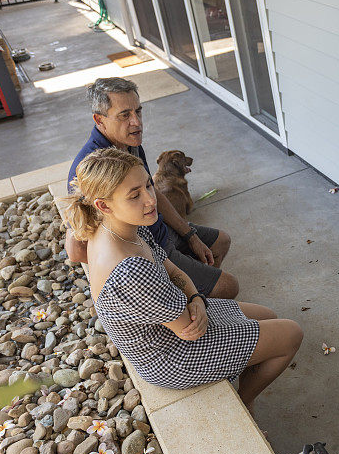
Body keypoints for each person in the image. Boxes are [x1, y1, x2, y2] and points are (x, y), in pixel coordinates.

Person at [63, 148, 302, 410]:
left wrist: (196, 297)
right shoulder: (129, 271)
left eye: (148, 186)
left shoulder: (124, 227)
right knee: (291, 334)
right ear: (103, 205)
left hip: (177, 318)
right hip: (171, 357)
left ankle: (242, 371)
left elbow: (172, 269)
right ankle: (246, 401)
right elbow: (188, 330)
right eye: (135, 195)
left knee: (268, 314)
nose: (150, 199)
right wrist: (194, 302)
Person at [66, 77, 239, 299]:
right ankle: (193, 307)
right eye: (124, 115)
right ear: (99, 120)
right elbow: (76, 249)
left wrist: (190, 235)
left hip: (162, 231)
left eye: (138, 111)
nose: (136, 122)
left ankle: (195, 298)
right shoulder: (90, 168)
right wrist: (149, 268)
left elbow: (153, 191)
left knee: (220, 241)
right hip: (151, 250)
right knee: (228, 286)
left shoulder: (129, 142)